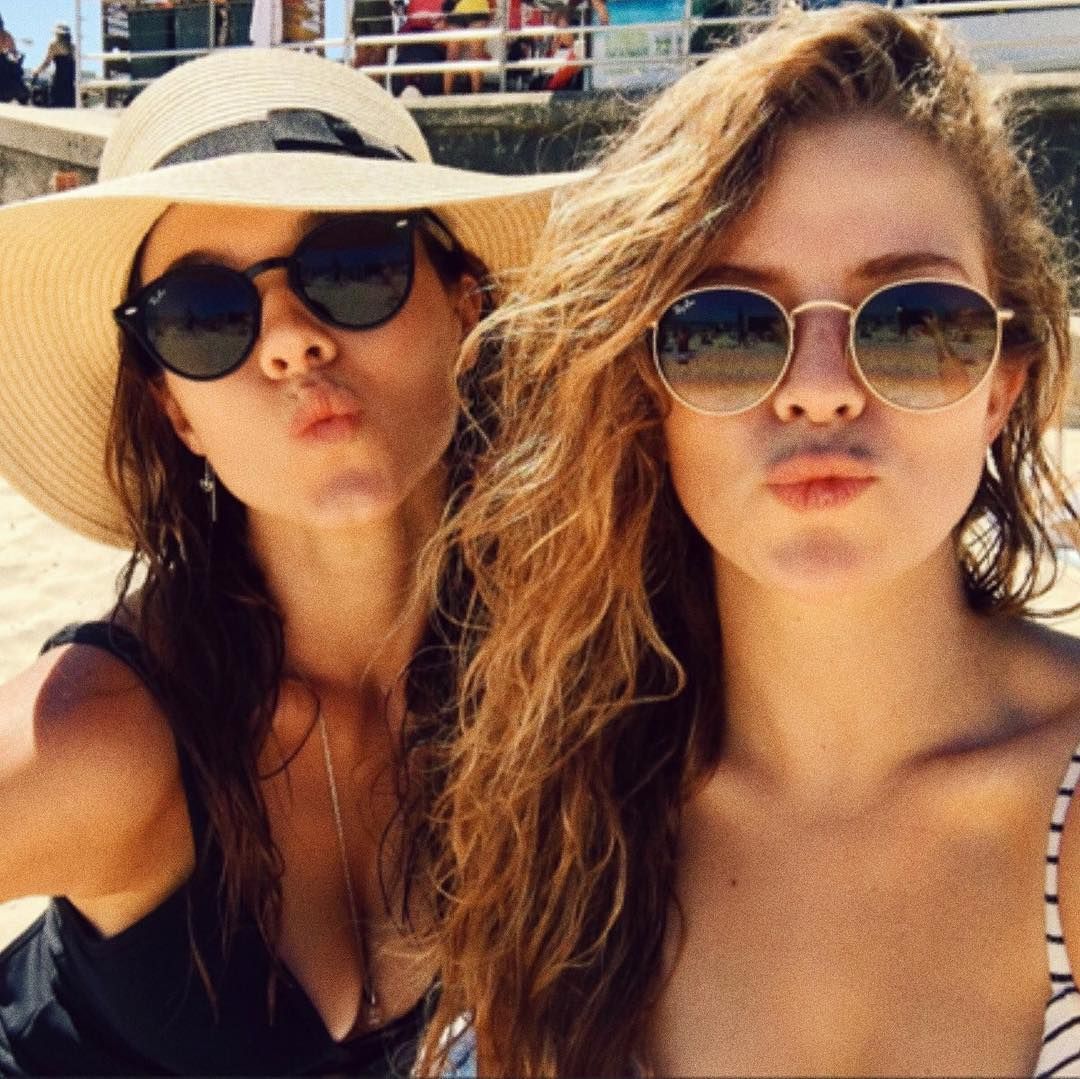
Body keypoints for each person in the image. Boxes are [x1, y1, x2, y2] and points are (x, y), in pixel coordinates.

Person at [418, 5, 1080, 1076]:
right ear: (650, 395)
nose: (819, 390)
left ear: (1000, 387)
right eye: (726, 329)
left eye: (912, 322)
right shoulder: (558, 822)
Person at [0, 46, 578, 1076]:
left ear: (468, 308)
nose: (289, 341)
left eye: (351, 266)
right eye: (205, 314)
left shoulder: (569, 671)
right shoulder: (105, 733)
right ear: (176, 410)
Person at [31, 22, 75, 108]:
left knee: (56, 103)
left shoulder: (54, 44)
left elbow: (47, 62)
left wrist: (36, 71)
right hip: (71, 78)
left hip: (59, 77)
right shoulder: (73, 47)